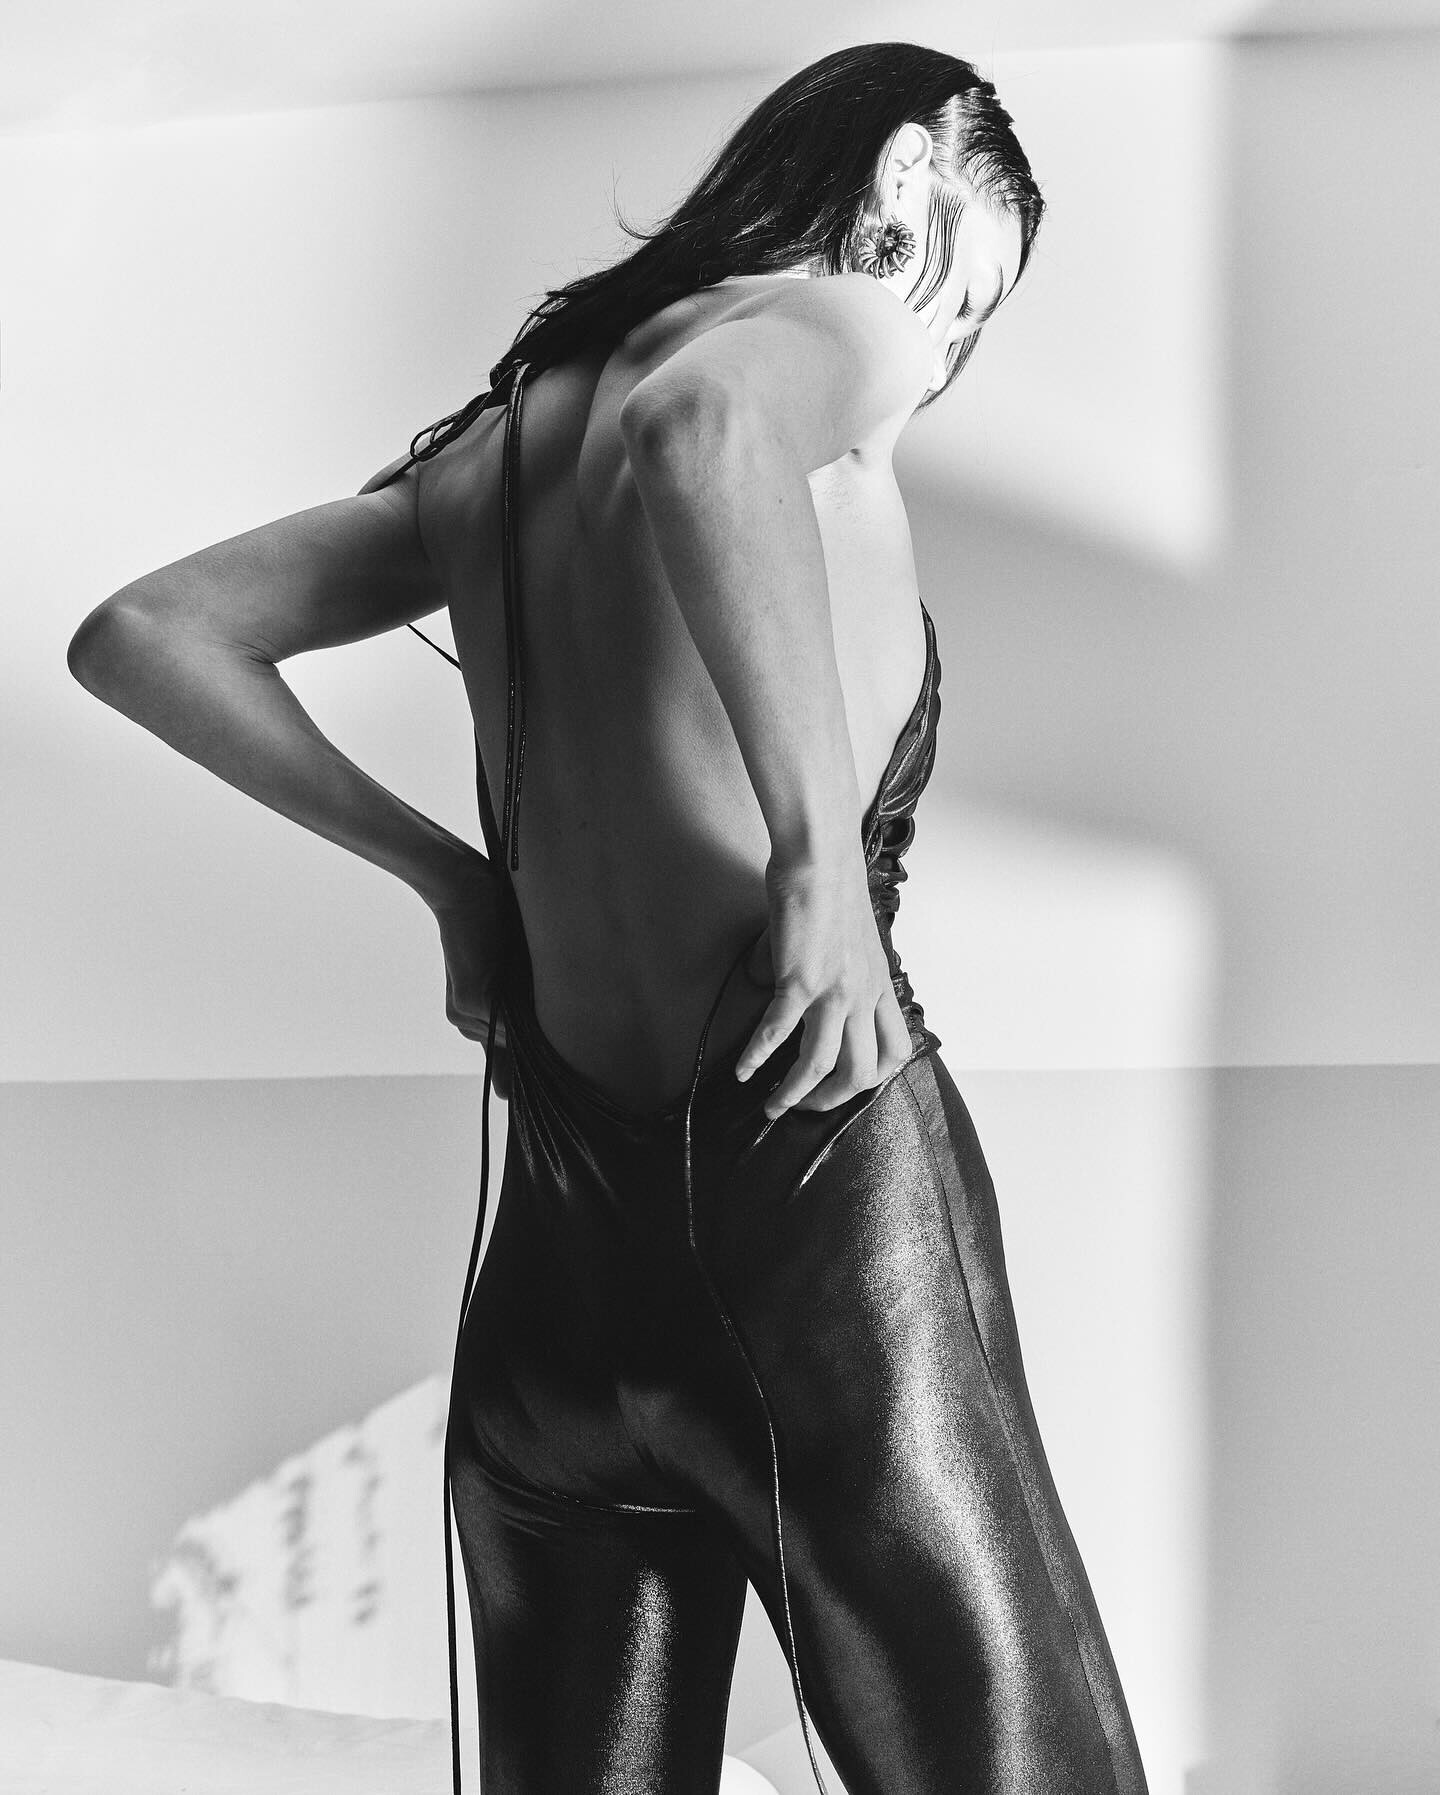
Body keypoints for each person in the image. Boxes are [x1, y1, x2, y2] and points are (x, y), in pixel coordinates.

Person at [67, 41, 1150, 1795]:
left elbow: (148, 633)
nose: (942, 357)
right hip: (820, 1233)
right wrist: (820, 865)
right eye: (966, 299)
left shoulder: (494, 453)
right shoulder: (833, 324)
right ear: (905, 184)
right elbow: (702, 429)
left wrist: (454, 880)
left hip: (561, 1289)